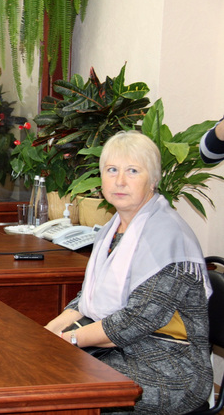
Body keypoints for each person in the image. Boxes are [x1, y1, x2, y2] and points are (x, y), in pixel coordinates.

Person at [45, 131, 213, 414]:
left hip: (170, 367)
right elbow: (87, 298)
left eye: (133, 171)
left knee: (59, 381)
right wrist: (47, 334)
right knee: (43, 366)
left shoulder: (167, 237)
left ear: (153, 180)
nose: (120, 181)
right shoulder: (111, 231)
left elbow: (133, 322)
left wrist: (66, 341)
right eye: (112, 170)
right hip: (118, 351)